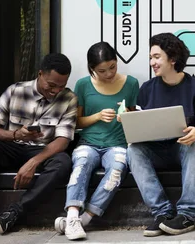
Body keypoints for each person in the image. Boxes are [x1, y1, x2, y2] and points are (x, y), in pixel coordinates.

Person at [127, 33, 195, 237]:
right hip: (155, 149)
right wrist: (129, 122)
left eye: (157, 57)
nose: (152, 62)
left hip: (183, 148)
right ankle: (162, 213)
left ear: (172, 59)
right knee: (133, 150)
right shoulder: (146, 89)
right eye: (151, 57)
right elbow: (140, 127)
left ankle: (186, 215)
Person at [53, 42, 139, 240]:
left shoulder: (132, 83)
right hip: (89, 143)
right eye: (102, 70)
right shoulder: (83, 85)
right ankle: (73, 216)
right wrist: (98, 116)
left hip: (118, 144)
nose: (109, 73)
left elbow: (135, 122)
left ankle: (84, 220)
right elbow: (76, 122)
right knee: (81, 165)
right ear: (91, 68)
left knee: (116, 170)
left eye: (112, 67)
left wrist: (126, 116)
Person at [0, 53, 77, 235]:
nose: (55, 91)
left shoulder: (69, 99)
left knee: (63, 162)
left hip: (42, 151)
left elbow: (63, 140)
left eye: (61, 86)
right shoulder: (15, 91)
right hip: (11, 146)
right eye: (51, 85)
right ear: (40, 74)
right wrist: (15, 134)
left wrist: (34, 162)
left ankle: (14, 213)